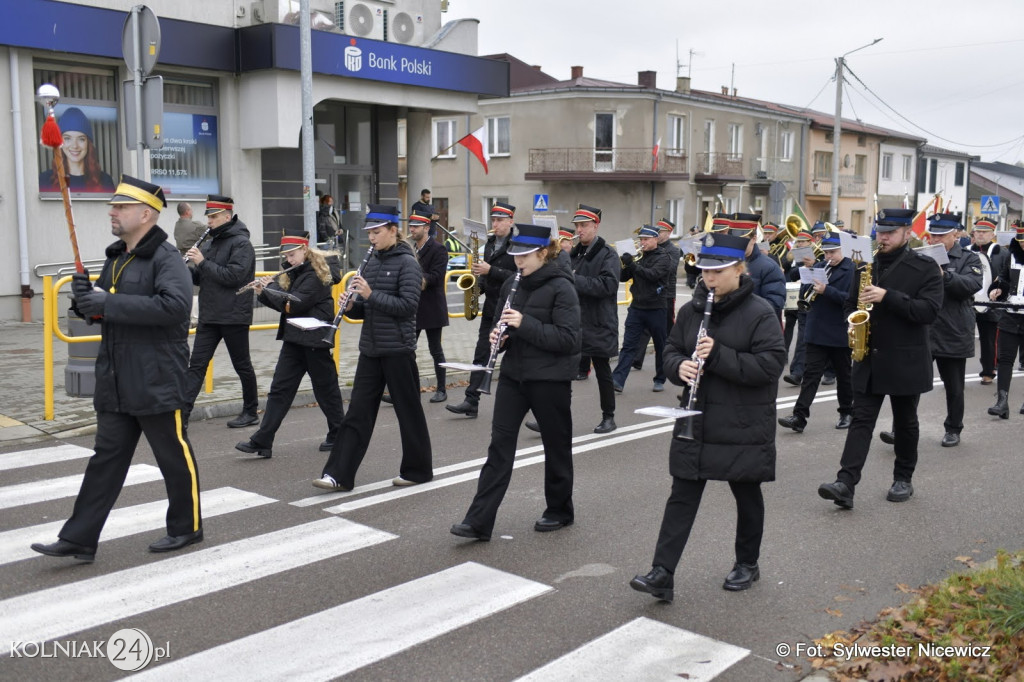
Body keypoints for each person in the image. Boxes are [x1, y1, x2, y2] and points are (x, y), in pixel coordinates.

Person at [31, 176, 200, 562]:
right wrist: (85, 301)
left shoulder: (167, 258)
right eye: (113, 206)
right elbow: (106, 309)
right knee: (105, 461)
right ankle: (79, 538)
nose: (112, 211)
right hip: (117, 379)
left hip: (157, 378)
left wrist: (107, 303)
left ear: (146, 214)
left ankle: (187, 527)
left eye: (121, 207)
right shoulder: (117, 257)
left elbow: (175, 308)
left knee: (173, 458)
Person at [629, 233, 786, 602]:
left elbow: (770, 366)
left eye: (718, 271)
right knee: (682, 495)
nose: (709, 278)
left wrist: (718, 355)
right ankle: (662, 572)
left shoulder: (760, 312)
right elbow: (671, 349)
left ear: (739, 269)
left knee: (746, 493)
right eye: (705, 271)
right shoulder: (692, 310)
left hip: (742, 421)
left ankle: (747, 562)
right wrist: (678, 366)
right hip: (696, 417)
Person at [450, 223, 581, 541]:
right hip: (514, 375)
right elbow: (502, 324)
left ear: (542, 253)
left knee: (556, 446)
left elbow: (568, 339)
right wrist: (501, 337)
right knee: (499, 446)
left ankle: (560, 510)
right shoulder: (512, 282)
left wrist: (525, 323)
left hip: (550, 378)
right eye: (515, 254)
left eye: (525, 255)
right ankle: (478, 521)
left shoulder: (562, 287)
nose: (518, 260)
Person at [817, 208, 943, 510]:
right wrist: (853, 321)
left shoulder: (925, 267)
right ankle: (845, 483)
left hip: (905, 357)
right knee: (861, 420)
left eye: (890, 233)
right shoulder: (865, 264)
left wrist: (888, 296)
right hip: (869, 356)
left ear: (907, 233)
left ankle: (903, 479)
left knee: (905, 421)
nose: (882, 238)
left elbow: (928, 311)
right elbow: (850, 304)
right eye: (880, 232)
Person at [313, 205, 433, 491]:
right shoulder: (371, 261)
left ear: (393, 230)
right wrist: (352, 306)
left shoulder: (408, 263)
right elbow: (368, 310)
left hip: (398, 349)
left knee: (409, 413)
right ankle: (338, 475)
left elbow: (407, 307)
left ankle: (418, 471)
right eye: (369, 233)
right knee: (357, 413)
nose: (372, 238)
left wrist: (370, 294)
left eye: (377, 232)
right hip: (371, 348)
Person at [234, 231, 345, 459]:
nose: (288, 260)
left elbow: (294, 304)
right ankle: (263, 440)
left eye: (292, 255)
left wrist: (270, 287)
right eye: (286, 256)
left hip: (314, 339)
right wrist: (263, 292)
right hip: (295, 338)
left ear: (305, 250)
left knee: (326, 390)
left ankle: (340, 433)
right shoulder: (296, 271)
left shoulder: (316, 274)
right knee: (279, 390)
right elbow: (284, 306)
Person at [183, 195, 259, 428]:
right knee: (197, 365)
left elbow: (233, 277)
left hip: (233, 314)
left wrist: (202, 262)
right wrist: (184, 269)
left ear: (227, 217)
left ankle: (251, 411)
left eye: (214, 217)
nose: (209, 221)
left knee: (242, 365)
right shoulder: (210, 243)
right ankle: (181, 415)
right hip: (210, 315)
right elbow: (202, 277)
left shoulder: (241, 244)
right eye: (208, 217)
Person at [777, 233, 855, 432]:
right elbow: (804, 293)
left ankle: (846, 412)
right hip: (817, 330)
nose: (828, 256)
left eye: (833, 252)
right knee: (811, 376)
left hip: (839, 331)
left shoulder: (852, 270)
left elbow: (851, 300)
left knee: (844, 376)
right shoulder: (819, 267)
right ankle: (799, 417)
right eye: (826, 252)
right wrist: (808, 283)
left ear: (843, 250)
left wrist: (826, 290)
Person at [447, 202, 518, 418]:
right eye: (493, 220)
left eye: (500, 220)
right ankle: (471, 400)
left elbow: (519, 277)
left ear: (511, 221)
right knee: (480, 354)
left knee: (517, 359)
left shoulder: (518, 245)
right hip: (490, 310)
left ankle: (526, 404)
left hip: (512, 311)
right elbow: (486, 278)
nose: (495, 224)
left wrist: (491, 270)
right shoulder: (489, 244)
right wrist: (476, 288)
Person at [921, 213, 983, 447]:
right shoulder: (922, 257)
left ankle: (953, 428)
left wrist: (944, 275)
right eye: (933, 235)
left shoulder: (969, 258)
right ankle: (902, 428)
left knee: (954, 387)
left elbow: (970, 285)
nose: (935, 239)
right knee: (911, 382)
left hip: (953, 330)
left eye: (941, 235)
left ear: (955, 235)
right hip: (925, 329)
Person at [569, 205, 620, 433]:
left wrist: (574, 279)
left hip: (599, 322)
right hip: (575, 321)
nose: (579, 230)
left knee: (602, 371)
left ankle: (609, 417)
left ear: (595, 226)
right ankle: (551, 417)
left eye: (584, 225)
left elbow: (608, 286)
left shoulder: (608, 254)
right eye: (577, 226)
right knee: (563, 371)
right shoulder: (574, 253)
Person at [611, 226, 674, 393]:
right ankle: (618, 380)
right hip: (637, 308)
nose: (642, 243)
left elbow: (652, 275)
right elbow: (623, 277)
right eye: (641, 239)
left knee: (660, 345)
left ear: (655, 239)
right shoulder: (638, 257)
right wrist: (624, 264)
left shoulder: (664, 257)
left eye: (646, 239)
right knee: (628, 345)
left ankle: (660, 379)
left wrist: (632, 264)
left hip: (656, 308)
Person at [410, 208, 450, 403]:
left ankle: (441, 389)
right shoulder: (410, 248)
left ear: (426, 228)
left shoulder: (438, 249)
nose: (412, 229)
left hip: (432, 306)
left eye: (416, 226)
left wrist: (411, 278)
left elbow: (436, 276)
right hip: (414, 306)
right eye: (411, 226)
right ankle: (408, 389)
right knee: (408, 349)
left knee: (435, 349)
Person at [632, 219, 681, 371]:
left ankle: (671, 358)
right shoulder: (648, 249)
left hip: (666, 293)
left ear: (669, 233)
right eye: (657, 231)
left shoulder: (673, 250)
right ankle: (637, 359)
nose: (658, 234)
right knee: (645, 329)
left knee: (666, 329)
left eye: (661, 232)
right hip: (647, 294)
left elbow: (669, 269)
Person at [987, 220, 1024, 419]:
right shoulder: (1012, 255)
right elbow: (1003, 279)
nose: (1023, 245)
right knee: (1005, 359)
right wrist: (997, 290)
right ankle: (1002, 402)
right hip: (1011, 313)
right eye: (1021, 241)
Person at [966, 218, 1007, 386]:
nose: (980, 234)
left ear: (992, 234)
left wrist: (999, 287)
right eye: (978, 231)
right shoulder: (965, 251)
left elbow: (1007, 276)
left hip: (991, 303)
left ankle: (988, 371)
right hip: (968, 301)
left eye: (984, 232)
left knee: (989, 339)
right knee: (962, 337)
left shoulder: (1002, 253)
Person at [38, 106, 115, 193]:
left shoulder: (105, 181)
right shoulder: (45, 181)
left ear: (88, 144)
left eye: (81, 139)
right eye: (67, 138)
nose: (75, 146)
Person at [782, 226, 823, 386]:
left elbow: (825, 273)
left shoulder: (820, 255)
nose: (800, 244)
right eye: (798, 242)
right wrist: (802, 266)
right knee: (802, 338)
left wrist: (814, 264)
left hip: (820, 300)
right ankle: (797, 373)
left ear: (810, 242)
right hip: (803, 299)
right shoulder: (798, 257)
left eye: (803, 241)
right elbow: (792, 275)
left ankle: (828, 370)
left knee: (819, 339)